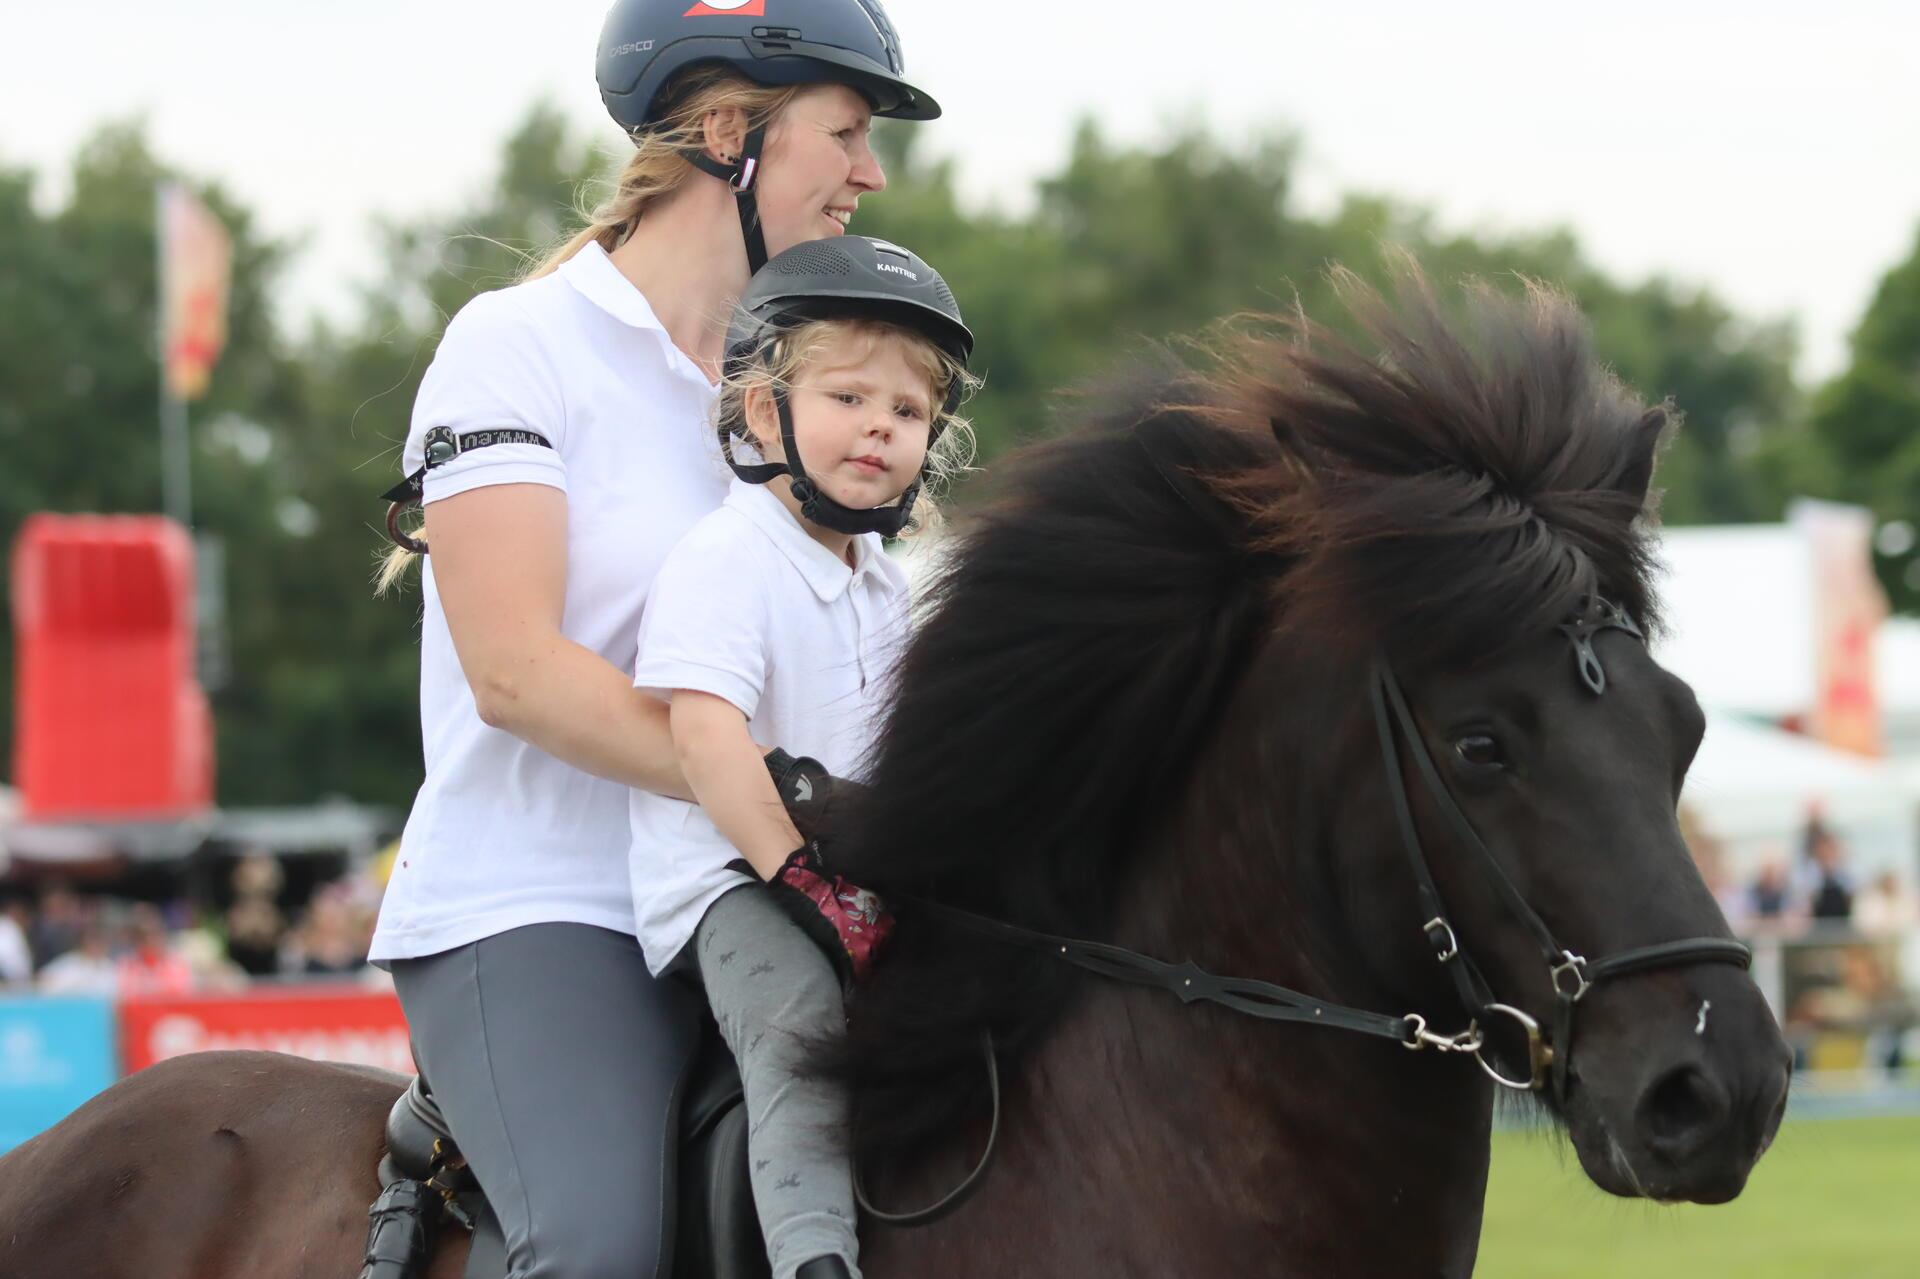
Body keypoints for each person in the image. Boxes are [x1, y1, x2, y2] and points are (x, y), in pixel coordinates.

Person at [365, 3, 943, 1276]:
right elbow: (513, 673)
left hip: (769, 884)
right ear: (731, 134)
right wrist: (786, 797)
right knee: (603, 1252)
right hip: (543, 900)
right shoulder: (516, 346)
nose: (870, 173)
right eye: (844, 133)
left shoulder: (812, 392)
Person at [629, 235, 974, 1279]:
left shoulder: (891, 585)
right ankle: (813, 1261)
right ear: (765, 411)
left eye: (908, 413)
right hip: (732, 880)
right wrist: (798, 876)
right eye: (848, 396)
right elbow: (704, 738)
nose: (880, 425)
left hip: (857, 871)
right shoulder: (726, 558)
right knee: (803, 1025)